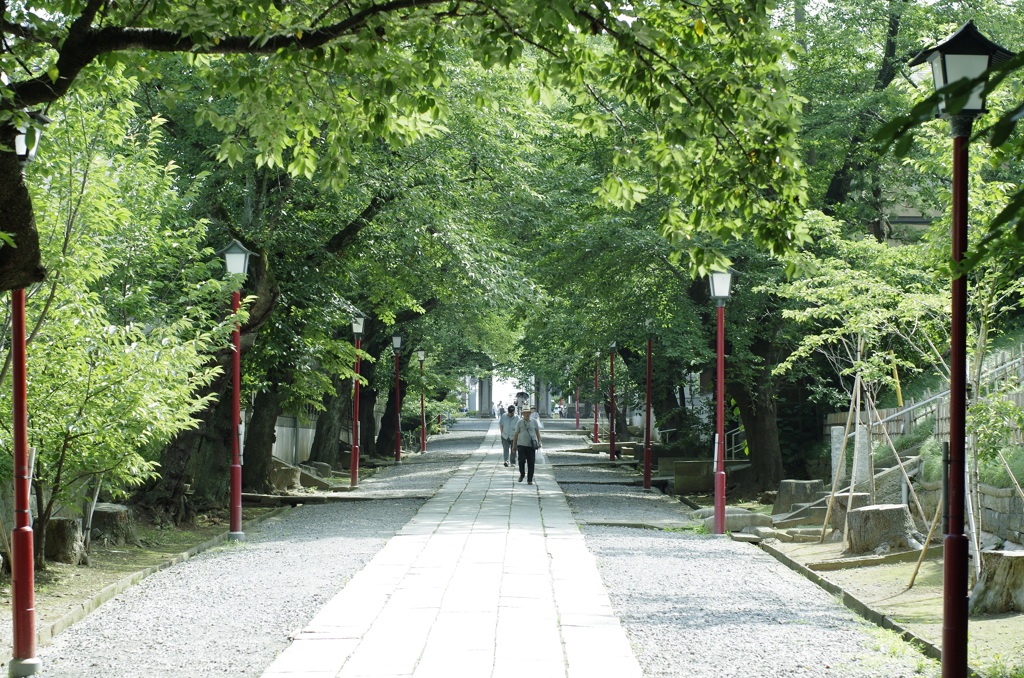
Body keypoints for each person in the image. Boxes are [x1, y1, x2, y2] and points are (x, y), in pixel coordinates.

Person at [511, 407, 542, 485]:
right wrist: (514, 445)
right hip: (521, 445)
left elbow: (537, 432)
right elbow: (516, 434)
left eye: (528, 413)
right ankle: (522, 474)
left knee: (531, 462)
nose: (526, 414)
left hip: (531, 445)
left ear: (530, 413)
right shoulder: (519, 422)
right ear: (522, 414)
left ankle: (530, 479)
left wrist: (539, 441)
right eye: (524, 413)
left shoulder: (534, 422)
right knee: (521, 461)